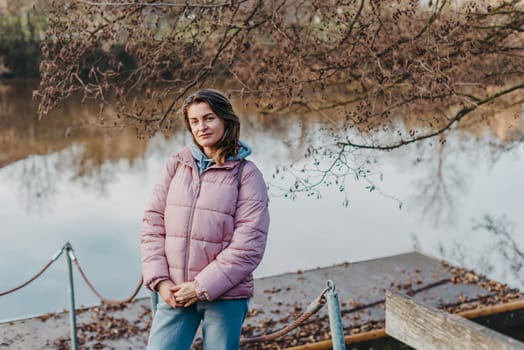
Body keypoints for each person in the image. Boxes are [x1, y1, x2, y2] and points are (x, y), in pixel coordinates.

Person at [141, 88, 270, 349]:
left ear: (225, 119)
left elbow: (249, 247)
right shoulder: (176, 164)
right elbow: (152, 225)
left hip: (225, 296)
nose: (202, 127)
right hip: (175, 293)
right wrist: (161, 281)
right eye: (194, 121)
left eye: (209, 118)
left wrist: (199, 287)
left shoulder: (247, 175)